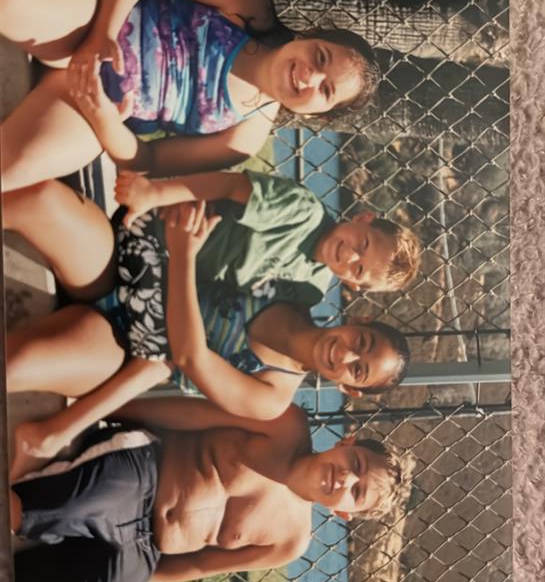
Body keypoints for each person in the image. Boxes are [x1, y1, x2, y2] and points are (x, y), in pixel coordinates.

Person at [4, 179, 410, 477]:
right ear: (359, 320)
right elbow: (230, 205)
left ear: (347, 388)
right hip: (126, 269)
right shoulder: (300, 286)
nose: (346, 353)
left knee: (16, 365)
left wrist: (183, 253)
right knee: (44, 201)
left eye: (357, 368)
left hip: (119, 347)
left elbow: (188, 355)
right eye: (362, 342)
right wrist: (172, 206)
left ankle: (45, 436)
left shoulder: (270, 395)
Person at [10, 396, 414, 582]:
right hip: (143, 473)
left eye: (356, 492)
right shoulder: (284, 425)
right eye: (355, 465)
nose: (344, 480)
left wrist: (130, 577)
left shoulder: (292, 541)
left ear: (344, 513)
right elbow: (190, 412)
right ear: (347, 442)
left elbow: (202, 564)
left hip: (147, 550)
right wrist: (106, 406)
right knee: (57, 506)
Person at [0, 0, 380, 191]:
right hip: (92, 17)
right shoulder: (245, 4)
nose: (309, 75)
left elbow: (145, 161)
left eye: (325, 90)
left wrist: (103, 119)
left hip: (92, 107)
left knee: (11, 167)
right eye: (321, 57)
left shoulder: (242, 137)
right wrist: (103, 33)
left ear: (317, 114)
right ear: (310, 35)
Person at [114, 166, 422, 304]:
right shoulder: (304, 212)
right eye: (363, 243)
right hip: (162, 228)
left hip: (171, 282)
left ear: (351, 283)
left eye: (358, 268)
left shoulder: (309, 291)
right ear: (364, 218)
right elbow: (229, 185)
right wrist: (155, 193)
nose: (350, 254)